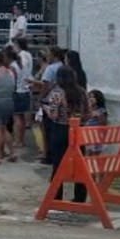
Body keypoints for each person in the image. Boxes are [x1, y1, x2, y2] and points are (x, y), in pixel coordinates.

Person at [45, 66, 89, 202]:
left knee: (58, 164)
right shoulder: (82, 92)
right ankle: (80, 196)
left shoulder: (57, 93)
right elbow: (88, 113)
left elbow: (54, 114)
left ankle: (57, 196)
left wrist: (45, 108)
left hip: (61, 130)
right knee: (79, 164)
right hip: (78, 131)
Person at [30, 46, 64, 164]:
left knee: (46, 129)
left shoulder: (50, 68)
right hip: (61, 100)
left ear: (53, 55)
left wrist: (40, 98)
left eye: (49, 54)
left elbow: (46, 85)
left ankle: (48, 154)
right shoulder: (63, 66)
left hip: (49, 100)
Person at [10, 38, 33, 148]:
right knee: (22, 118)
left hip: (18, 90)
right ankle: (21, 140)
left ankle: (17, 141)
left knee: (17, 118)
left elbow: (15, 77)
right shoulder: (28, 55)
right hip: (26, 89)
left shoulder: (18, 61)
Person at [85, 90, 108, 155]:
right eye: (89, 97)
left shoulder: (101, 110)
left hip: (97, 136)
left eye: (93, 97)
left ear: (98, 99)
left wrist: (98, 115)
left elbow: (103, 123)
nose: (90, 99)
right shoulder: (87, 109)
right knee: (88, 153)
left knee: (94, 154)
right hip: (88, 135)